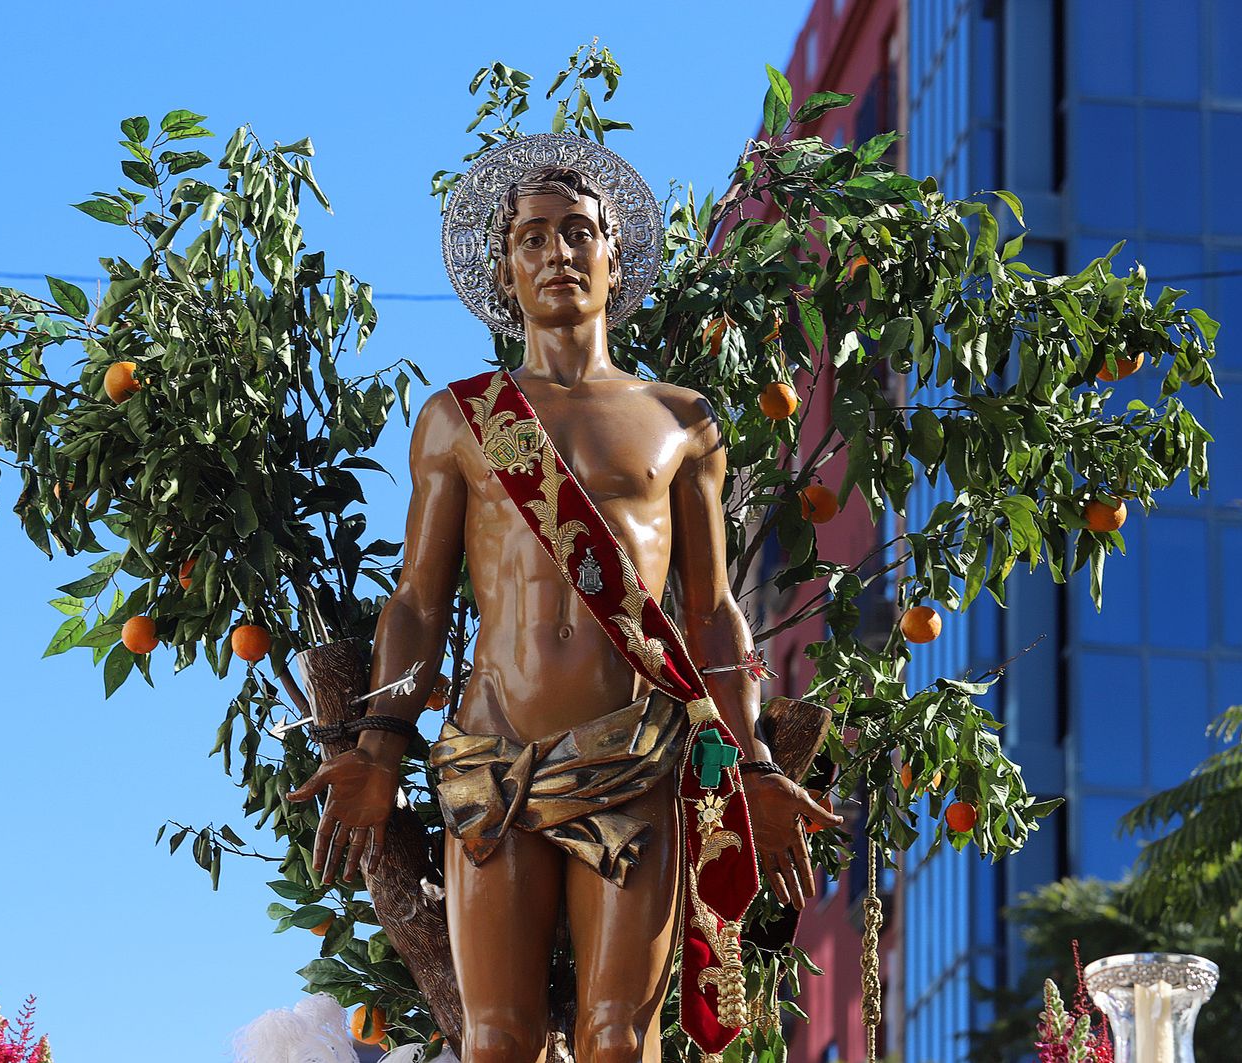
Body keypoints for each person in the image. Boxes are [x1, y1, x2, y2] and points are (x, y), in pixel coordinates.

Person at [291, 137, 840, 1063]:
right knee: (495, 1041)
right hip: (493, 757)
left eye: (578, 232)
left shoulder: (680, 419)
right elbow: (419, 604)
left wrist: (750, 764)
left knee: (619, 1039)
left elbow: (711, 612)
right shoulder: (460, 419)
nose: (558, 253)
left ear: (614, 253)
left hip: (632, 756)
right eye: (534, 237)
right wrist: (378, 746)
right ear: (505, 269)